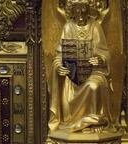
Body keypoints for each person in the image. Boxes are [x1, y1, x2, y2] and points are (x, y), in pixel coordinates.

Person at [48, 0, 113, 132]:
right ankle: (73, 122)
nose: (81, 13)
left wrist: (100, 59)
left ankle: (94, 122)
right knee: (69, 91)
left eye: (83, 9)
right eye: (77, 10)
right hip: (73, 74)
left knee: (94, 86)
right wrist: (59, 65)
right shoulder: (68, 27)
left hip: (93, 72)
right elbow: (59, 55)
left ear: (88, 10)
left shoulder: (95, 26)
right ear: (72, 11)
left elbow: (105, 53)